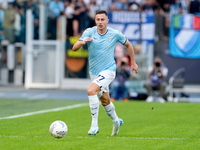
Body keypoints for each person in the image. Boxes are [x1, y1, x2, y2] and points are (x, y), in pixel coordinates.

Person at [72, 10, 138, 136]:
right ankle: (116, 121)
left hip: (108, 71)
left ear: (107, 21)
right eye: (98, 20)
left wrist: (133, 63)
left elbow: (128, 45)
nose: (100, 22)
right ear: (95, 21)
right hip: (94, 73)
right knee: (105, 101)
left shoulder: (114, 34)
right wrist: (81, 42)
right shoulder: (89, 32)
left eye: (103, 19)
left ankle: (94, 125)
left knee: (91, 90)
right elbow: (74, 48)